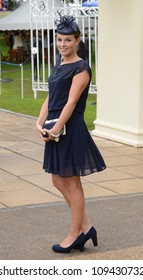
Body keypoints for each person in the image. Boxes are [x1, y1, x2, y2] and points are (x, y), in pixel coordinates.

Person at [36, 14, 106, 254]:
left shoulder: (81, 68)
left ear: (77, 40)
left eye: (67, 40)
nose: (62, 44)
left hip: (70, 128)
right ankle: (86, 226)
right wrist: (40, 121)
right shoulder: (59, 65)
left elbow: (71, 102)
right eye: (59, 40)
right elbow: (51, 96)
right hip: (55, 126)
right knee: (57, 179)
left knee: (72, 182)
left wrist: (55, 129)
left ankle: (75, 233)